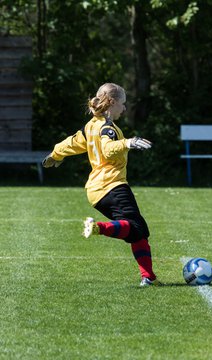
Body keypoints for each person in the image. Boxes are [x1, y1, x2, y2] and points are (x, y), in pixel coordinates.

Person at [42, 83, 160, 287]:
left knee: (136, 231)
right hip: (112, 185)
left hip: (96, 192)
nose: (124, 108)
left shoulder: (91, 125)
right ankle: (98, 228)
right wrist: (128, 142)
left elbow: (72, 142)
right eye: (123, 103)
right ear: (112, 102)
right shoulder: (108, 127)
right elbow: (107, 149)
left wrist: (55, 154)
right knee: (138, 229)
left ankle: (148, 278)